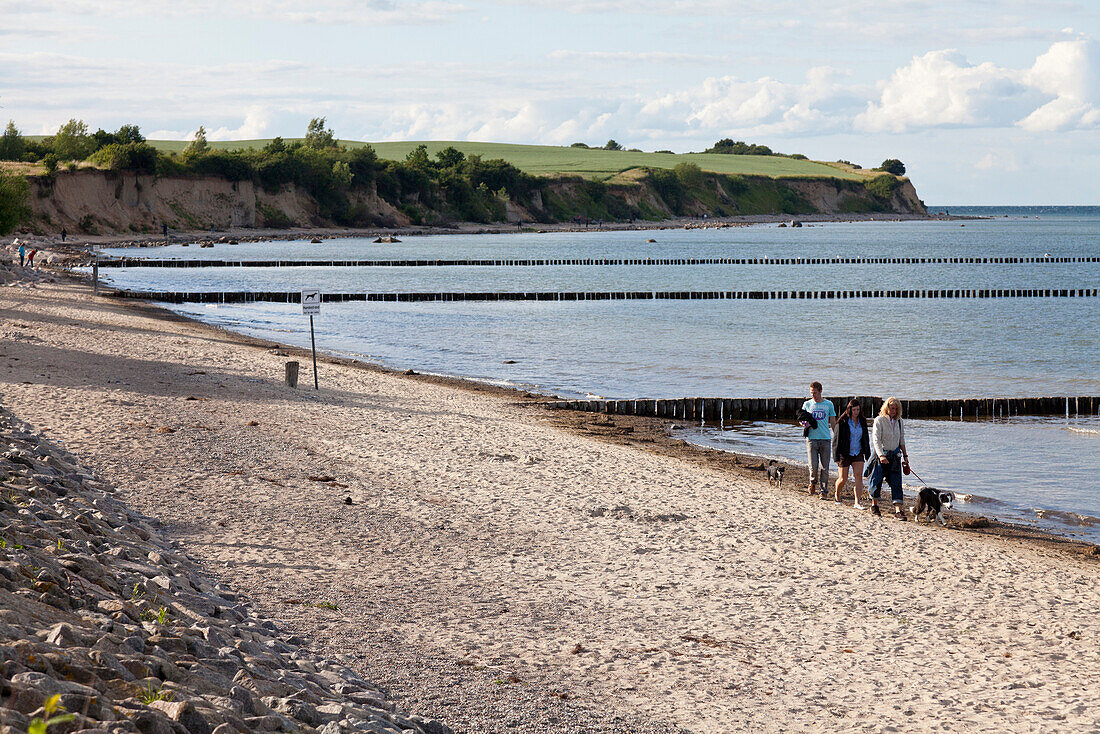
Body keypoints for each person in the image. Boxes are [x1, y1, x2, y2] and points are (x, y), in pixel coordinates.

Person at [869, 396, 908, 519]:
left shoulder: (900, 421)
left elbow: (902, 440)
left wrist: (905, 456)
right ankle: (874, 505)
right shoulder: (879, 420)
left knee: (896, 483)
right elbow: (876, 440)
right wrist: (880, 455)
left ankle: (898, 511)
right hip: (883, 454)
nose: (894, 411)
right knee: (876, 481)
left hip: (895, 456)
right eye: (892, 408)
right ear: (886, 408)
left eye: (896, 409)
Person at [833, 399, 870, 507]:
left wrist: (867, 452)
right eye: (854, 410)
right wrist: (836, 456)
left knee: (858, 476)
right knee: (843, 479)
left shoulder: (862, 421)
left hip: (858, 452)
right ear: (849, 410)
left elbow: (866, 438)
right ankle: (837, 493)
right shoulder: (842, 421)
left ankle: (857, 502)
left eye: (858, 409)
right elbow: (836, 440)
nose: (856, 412)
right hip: (845, 453)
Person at [802, 381, 837, 497]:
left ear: (820, 391)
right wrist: (804, 424)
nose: (813, 395)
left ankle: (823, 491)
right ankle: (812, 482)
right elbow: (801, 419)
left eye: (815, 393)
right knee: (813, 466)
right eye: (811, 393)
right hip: (812, 439)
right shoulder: (807, 404)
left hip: (825, 438)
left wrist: (836, 434)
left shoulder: (829, 404)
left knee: (825, 467)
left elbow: (832, 421)